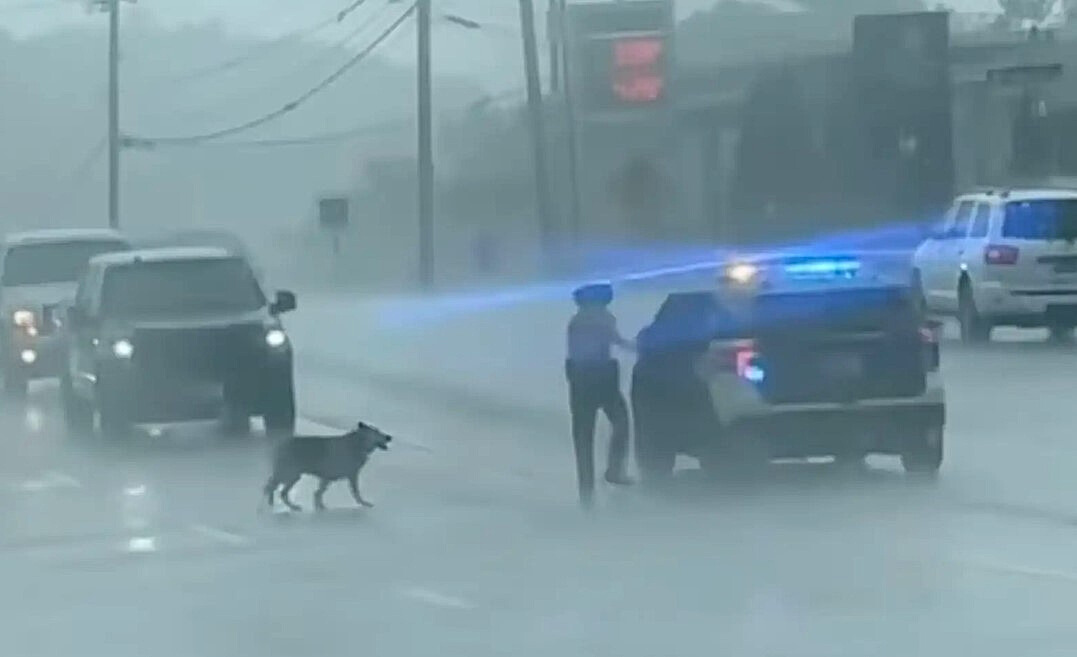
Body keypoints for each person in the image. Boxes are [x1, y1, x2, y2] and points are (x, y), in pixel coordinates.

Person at [565, 282, 635, 508]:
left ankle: (587, 490)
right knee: (620, 422)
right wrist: (639, 347)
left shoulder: (577, 321)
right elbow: (615, 341)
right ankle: (614, 470)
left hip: (580, 380)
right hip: (601, 377)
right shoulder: (600, 319)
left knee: (583, 437)